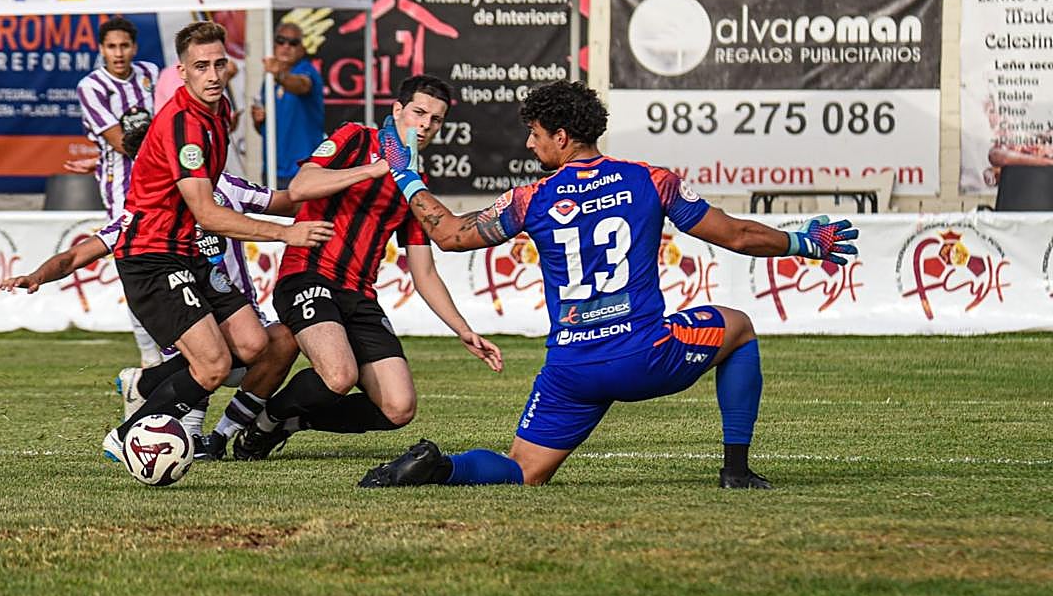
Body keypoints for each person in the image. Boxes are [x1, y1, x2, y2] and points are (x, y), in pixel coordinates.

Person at [360, 80, 858, 490]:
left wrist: (405, 175)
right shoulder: (650, 179)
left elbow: (448, 235)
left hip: (573, 369)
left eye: (534, 134)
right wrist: (804, 242)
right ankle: (736, 470)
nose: (529, 144)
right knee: (740, 327)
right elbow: (738, 235)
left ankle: (440, 467)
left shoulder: (531, 198)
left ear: (561, 136)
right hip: (646, 357)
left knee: (523, 472)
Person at [231, 74, 502, 461]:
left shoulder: (413, 184)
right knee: (340, 376)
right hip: (307, 275)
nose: (425, 125)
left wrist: (464, 330)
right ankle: (261, 422)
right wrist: (375, 169)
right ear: (397, 111)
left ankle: (285, 421)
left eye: (436, 120)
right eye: (418, 113)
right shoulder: (356, 138)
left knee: (398, 407)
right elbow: (300, 188)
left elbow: (423, 272)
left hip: (358, 295)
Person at [103, 20, 333, 463]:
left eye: (219, 64)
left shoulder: (220, 110)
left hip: (185, 252)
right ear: (182, 71)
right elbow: (207, 213)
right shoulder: (183, 125)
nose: (212, 74)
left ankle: (146, 384)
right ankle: (127, 435)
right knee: (212, 365)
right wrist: (288, 234)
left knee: (252, 344)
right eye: (201, 66)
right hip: (152, 256)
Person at [1, 118, 300, 459]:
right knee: (207, 362)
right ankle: (150, 427)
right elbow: (76, 255)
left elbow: (285, 202)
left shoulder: (224, 188)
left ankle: (216, 434)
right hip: (188, 323)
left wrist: (343, 194)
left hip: (236, 315)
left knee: (278, 342)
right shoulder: (144, 218)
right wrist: (38, 275)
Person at [76, 16, 159, 220]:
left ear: (135, 48)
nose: (119, 54)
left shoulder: (150, 72)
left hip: (160, 172)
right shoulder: (91, 87)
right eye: (112, 47)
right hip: (122, 177)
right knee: (125, 237)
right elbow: (120, 142)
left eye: (124, 46)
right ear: (102, 49)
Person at [251, 21, 324, 189]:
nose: (286, 46)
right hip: (271, 169)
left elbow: (301, 86)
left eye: (293, 42)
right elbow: (265, 130)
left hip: (303, 170)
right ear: (274, 44)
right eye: (281, 40)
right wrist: (258, 119)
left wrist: (280, 75)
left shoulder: (306, 71)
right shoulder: (269, 80)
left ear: (302, 48)